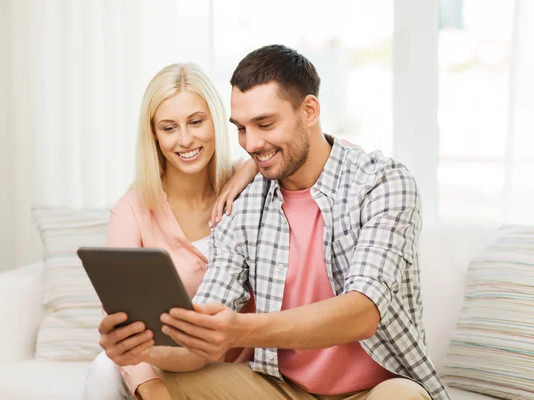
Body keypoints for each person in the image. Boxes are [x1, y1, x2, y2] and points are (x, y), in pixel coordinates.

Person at [105, 45, 451, 399]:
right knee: (165, 386)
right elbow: (201, 340)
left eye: (265, 124)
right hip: (279, 390)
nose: (251, 144)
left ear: (310, 110)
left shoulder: (381, 184)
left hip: (375, 390)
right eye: (241, 128)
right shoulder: (241, 204)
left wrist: (239, 330)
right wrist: (141, 348)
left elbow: (361, 314)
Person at [81, 62, 258, 400]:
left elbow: (322, 150)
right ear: (154, 135)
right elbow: (120, 319)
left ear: (216, 122)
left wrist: (248, 168)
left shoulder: (247, 188)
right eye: (169, 127)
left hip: (239, 369)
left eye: (196, 122)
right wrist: (150, 386)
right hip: (165, 363)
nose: (186, 139)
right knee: (104, 368)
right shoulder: (132, 210)